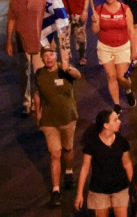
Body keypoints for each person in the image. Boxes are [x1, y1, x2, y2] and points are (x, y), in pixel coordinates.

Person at [34, 46, 81, 206]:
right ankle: (56, 191)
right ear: (42, 58)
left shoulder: (64, 69)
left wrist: (69, 68)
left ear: (56, 56)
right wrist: (38, 112)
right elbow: (37, 93)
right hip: (49, 121)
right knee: (55, 154)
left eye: (51, 55)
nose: (48, 58)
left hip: (68, 118)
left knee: (68, 149)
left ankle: (68, 171)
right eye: (45, 56)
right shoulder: (39, 74)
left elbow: (78, 75)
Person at [74, 110, 133, 216]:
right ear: (105, 125)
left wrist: (133, 187)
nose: (119, 122)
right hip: (99, 190)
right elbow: (85, 168)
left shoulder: (121, 141)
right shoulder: (92, 143)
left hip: (120, 187)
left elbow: (127, 164)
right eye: (115, 120)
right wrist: (79, 194)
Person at [7, 0, 48, 114]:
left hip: (39, 42)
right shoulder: (14, 2)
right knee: (24, 73)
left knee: (39, 74)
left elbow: (49, 18)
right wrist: (9, 42)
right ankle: (27, 101)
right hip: (21, 42)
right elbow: (11, 21)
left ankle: (38, 101)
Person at [91, 0, 136, 112]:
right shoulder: (99, 10)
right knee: (111, 76)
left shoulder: (124, 9)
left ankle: (128, 90)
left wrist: (134, 50)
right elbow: (95, 31)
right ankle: (116, 104)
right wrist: (94, 22)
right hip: (105, 47)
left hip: (122, 47)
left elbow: (131, 31)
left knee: (122, 77)